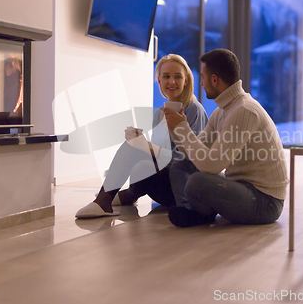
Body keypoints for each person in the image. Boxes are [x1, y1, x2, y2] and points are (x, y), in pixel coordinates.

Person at [163, 49, 289, 227]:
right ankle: (191, 211)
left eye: (203, 77)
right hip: (241, 188)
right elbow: (194, 151)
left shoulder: (244, 110)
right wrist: (176, 127)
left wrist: (182, 128)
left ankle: (199, 214)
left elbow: (211, 165)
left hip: (265, 201)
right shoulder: (222, 111)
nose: (201, 83)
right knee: (181, 164)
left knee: (197, 182)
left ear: (214, 79)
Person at [76, 54, 208, 219]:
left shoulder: (194, 109)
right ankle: (122, 196)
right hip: (165, 184)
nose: (171, 82)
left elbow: (189, 160)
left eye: (177, 77)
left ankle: (111, 199)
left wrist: (145, 147)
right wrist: (140, 143)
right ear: (159, 81)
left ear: (186, 81)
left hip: (183, 187)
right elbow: (157, 157)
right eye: (166, 77)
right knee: (137, 154)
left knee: (138, 151)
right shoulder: (160, 114)